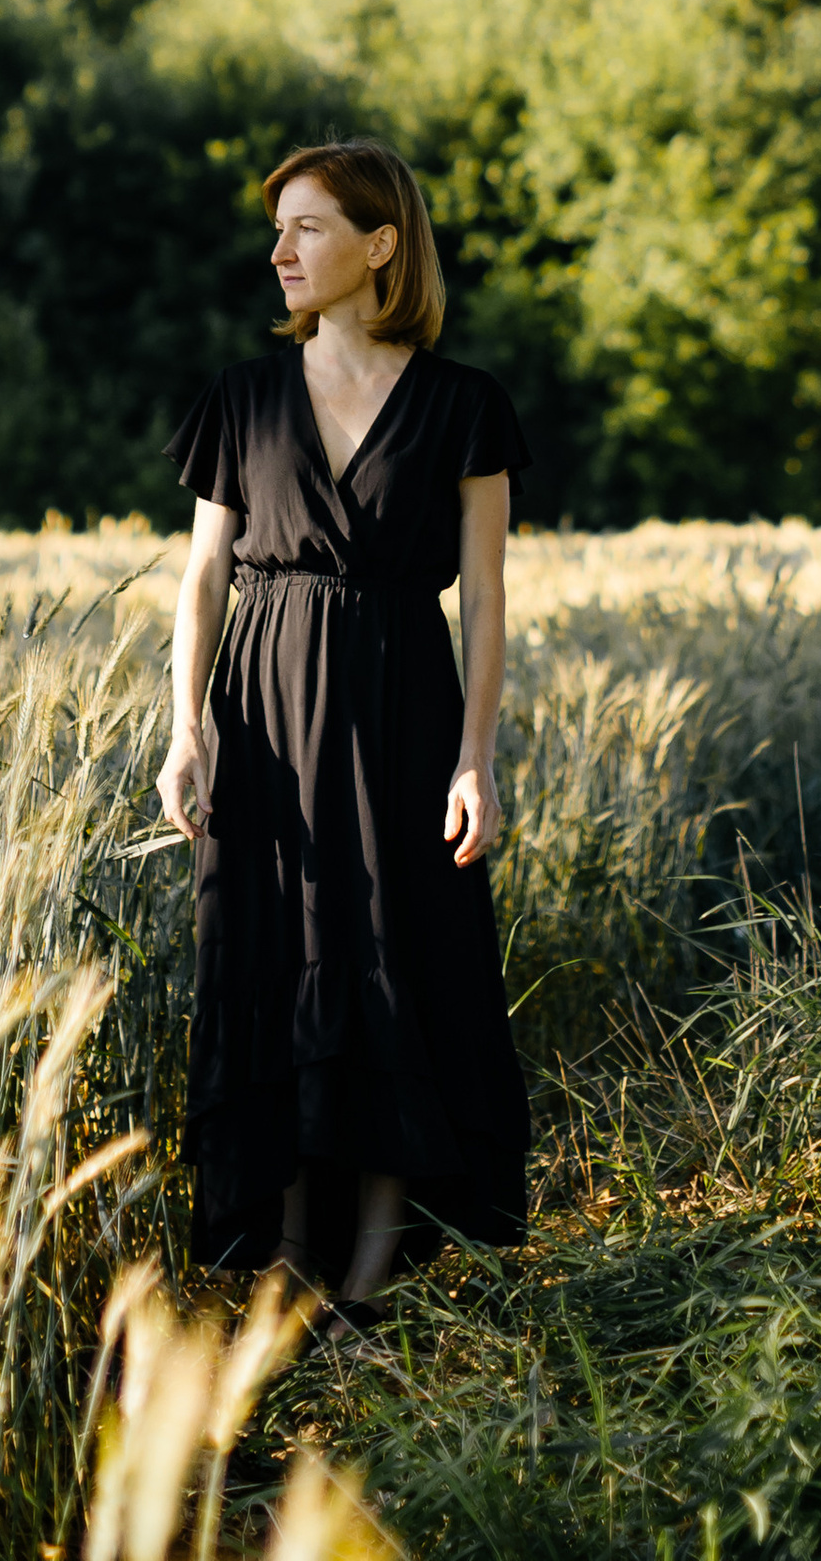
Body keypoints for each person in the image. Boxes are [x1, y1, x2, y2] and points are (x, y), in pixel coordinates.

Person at [158, 138, 531, 1316]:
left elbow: (483, 598)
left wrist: (474, 757)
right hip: (260, 716)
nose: (279, 252)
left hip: (398, 717)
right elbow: (204, 579)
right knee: (270, 951)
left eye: (306, 228)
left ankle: (376, 1260)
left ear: (379, 244)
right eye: (276, 232)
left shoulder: (464, 405)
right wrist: (186, 731)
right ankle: (283, 1247)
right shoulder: (242, 397)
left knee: (392, 954)